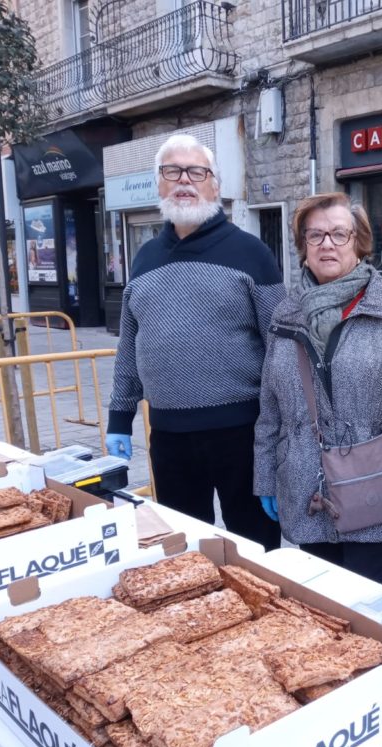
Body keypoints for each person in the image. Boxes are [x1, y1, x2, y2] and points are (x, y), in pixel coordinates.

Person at [105, 134, 285, 551]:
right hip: (169, 436)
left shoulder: (251, 253)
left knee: (255, 549)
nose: (184, 180)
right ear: (159, 184)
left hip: (243, 433)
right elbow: (130, 345)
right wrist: (119, 416)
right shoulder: (145, 257)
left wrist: (283, 433)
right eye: (172, 171)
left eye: (197, 172)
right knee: (183, 549)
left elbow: (281, 347)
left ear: (215, 185)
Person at [254, 192, 382, 583]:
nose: (327, 244)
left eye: (339, 234)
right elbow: (270, 404)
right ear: (302, 246)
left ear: (358, 243)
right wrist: (267, 476)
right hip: (308, 489)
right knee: (324, 603)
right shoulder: (285, 315)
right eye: (316, 235)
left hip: (377, 484)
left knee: (370, 607)